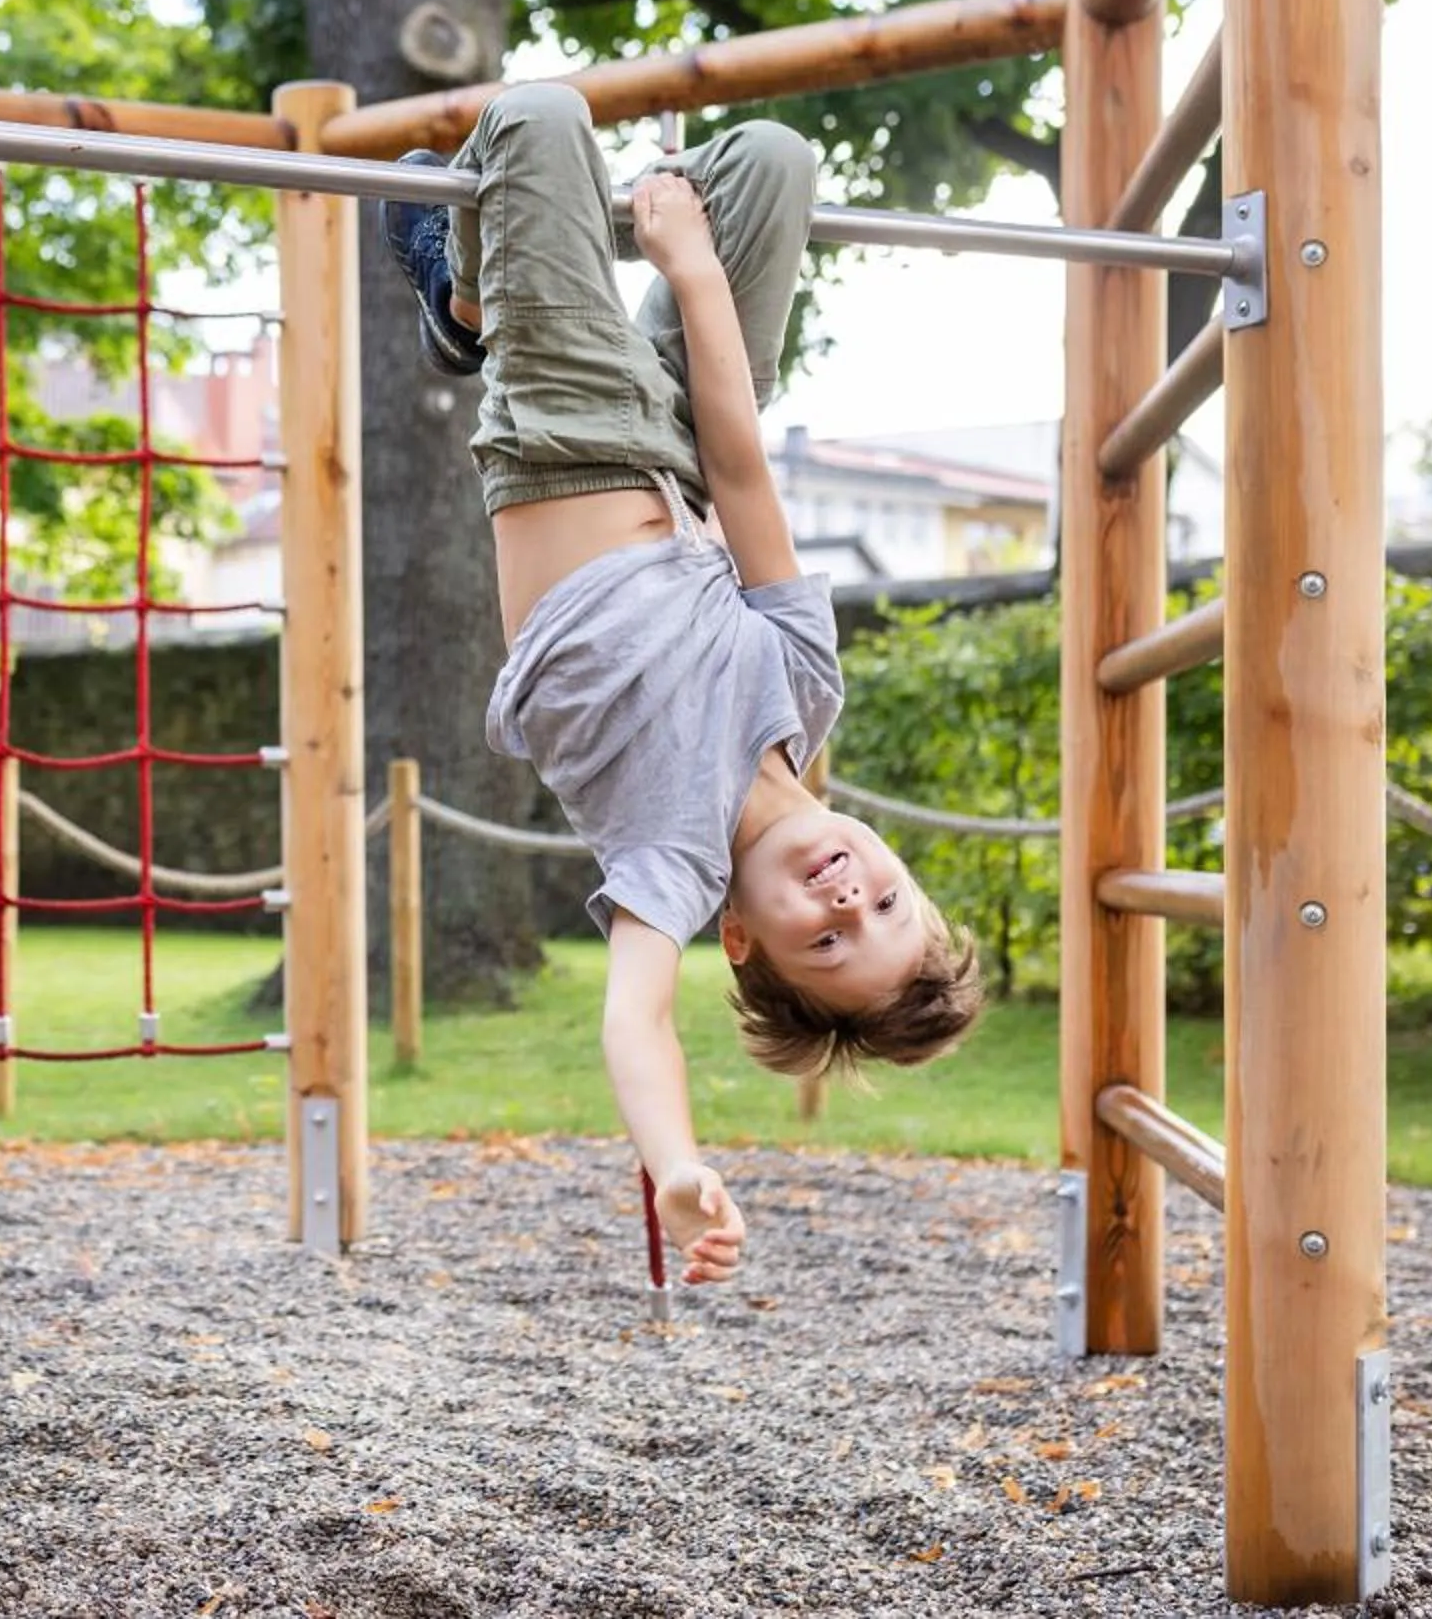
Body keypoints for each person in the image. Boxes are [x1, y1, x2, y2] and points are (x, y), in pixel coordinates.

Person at [379, 84, 981, 1288]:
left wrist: (675, 1164)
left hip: (564, 435)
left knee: (540, 121)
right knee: (769, 159)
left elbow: (636, 1021)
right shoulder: (808, 697)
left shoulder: (675, 852)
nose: (849, 895)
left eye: (827, 935)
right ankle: (493, 276)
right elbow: (746, 478)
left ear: (745, 938)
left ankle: (464, 298)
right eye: (888, 902)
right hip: (692, 441)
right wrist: (692, 275)